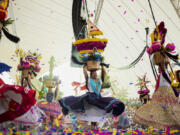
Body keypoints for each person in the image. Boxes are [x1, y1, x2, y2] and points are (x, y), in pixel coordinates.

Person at [59, 65, 125, 128]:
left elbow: (103, 74)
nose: (95, 74)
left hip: (98, 96)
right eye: (94, 73)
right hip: (90, 96)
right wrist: (84, 69)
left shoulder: (99, 80)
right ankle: (68, 107)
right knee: (78, 100)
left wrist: (102, 67)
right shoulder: (89, 80)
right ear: (91, 75)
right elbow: (85, 75)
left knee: (110, 100)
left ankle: (113, 109)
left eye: (96, 73)